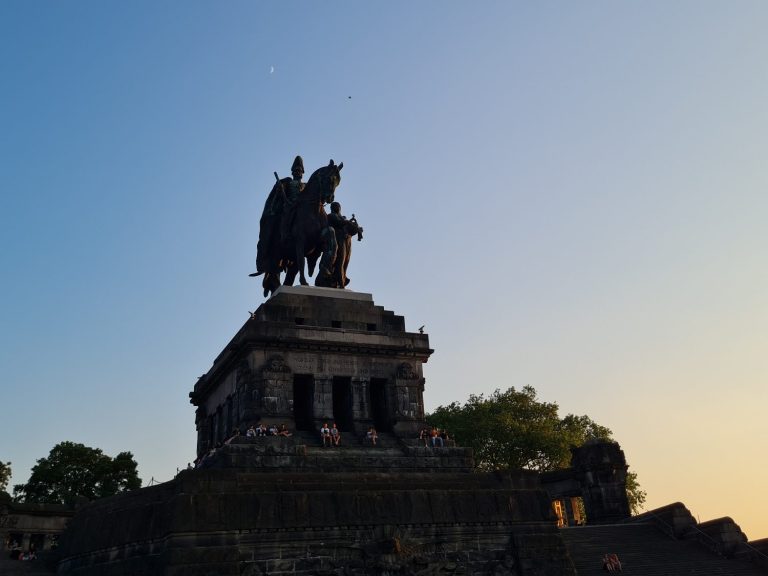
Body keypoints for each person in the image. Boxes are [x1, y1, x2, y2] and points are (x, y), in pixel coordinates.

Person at [254, 155, 306, 275]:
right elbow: (279, 196)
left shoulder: (306, 185)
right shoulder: (288, 182)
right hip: (289, 207)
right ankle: (283, 237)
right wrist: (280, 188)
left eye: (300, 170)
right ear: (292, 172)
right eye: (296, 170)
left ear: (303, 173)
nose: (298, 172)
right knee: (284, 220)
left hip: (301, 209)